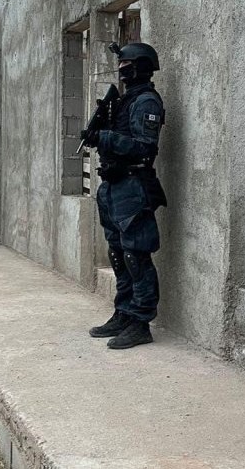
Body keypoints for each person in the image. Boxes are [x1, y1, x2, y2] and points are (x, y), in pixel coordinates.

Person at [83, 42, 166, 349]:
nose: (123, 73)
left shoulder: (146, 102)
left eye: (126, 67)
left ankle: (141, 321)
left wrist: (104, 136)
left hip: (134, 184)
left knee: (136, 253)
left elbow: (145, 147)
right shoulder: (124, 101)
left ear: (140, 67)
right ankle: (124, 311)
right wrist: (101, 130)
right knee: (117, 251)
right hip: (114, 185)